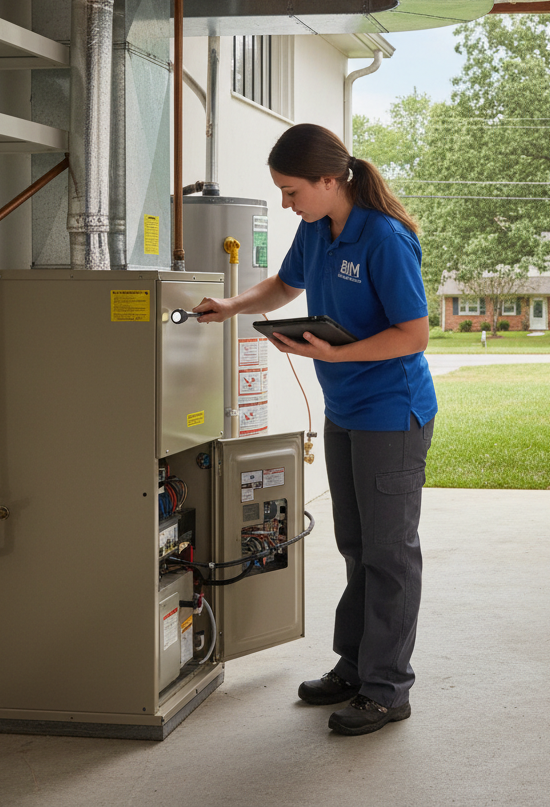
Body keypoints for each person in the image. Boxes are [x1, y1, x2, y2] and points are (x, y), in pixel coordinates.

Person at [193, 122, 437, 737]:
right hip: (345, 411)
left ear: (330, 181)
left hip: (391, 412)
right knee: (357, 547)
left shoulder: (384, 239)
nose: (286, 202)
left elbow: (414, 334)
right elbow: (285, 284)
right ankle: (355, 667)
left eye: (292, 190)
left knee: (390, 555)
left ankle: (387, 690)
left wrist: (332, 356)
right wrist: (232, 306)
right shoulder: (315, 229)